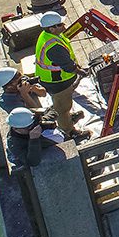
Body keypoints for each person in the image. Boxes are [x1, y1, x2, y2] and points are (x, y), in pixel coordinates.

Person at [33, 12, 91, 142]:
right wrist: (83, 73)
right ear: (51, 28)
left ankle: (68, 119)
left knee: (63, 106)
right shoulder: (53, 47)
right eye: (60, 25)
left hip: (54, 80)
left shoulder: (48, 36)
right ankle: (69, 131)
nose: (64, 26)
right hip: (57, 83)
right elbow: (68, 66)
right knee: (62, 108)